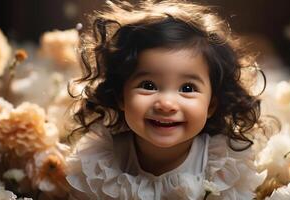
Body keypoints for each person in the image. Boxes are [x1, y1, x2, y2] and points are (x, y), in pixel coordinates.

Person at [66, 0, 272, 199]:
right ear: (121, 96)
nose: (166, 104)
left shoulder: (222, 166)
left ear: (211, 105)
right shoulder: (103, 163)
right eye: (148, 86)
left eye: (187, 88)